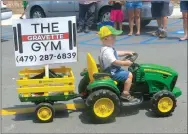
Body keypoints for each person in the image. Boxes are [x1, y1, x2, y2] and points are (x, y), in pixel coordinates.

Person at [98, 25, 139, 102]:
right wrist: (125, 63)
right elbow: (115, 62)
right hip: (112, 73)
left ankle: (125, 87)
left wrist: (127, 52)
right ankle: (125, 93)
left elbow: (117, 53)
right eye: (113, 37)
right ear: (105, 38)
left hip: (112, 70)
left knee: (125, 72)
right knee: (129, 75)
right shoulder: (107, 51)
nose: (115, 39)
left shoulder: (107, 48)